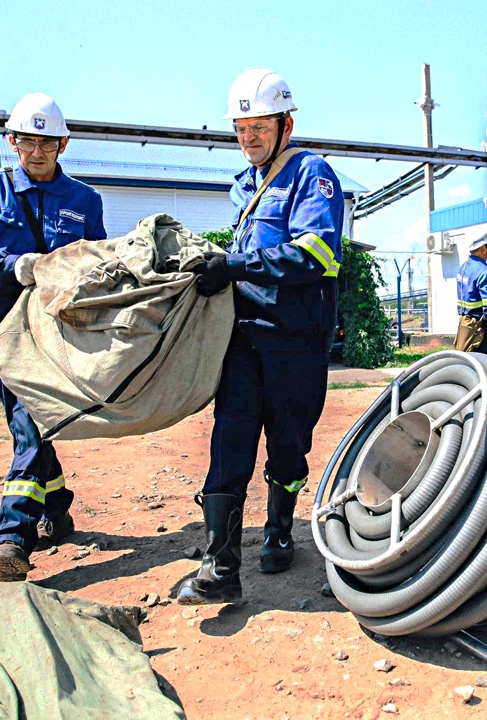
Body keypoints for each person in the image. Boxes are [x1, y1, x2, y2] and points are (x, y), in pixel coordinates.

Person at [176, 69, 344, 605]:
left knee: (289, 446)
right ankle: (219, 566)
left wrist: (238, 263)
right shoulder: (243, 187)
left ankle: (279, 532)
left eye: (258, 127)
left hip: (296, 341)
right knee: (229, 441)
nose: (248, 138)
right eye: (240, 128)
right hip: (244, 337)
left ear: (285, 123)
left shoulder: (312, 175)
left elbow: (317, 254)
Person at [0, 93, 107, 580]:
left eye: (46, 142)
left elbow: (97, 264)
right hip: (5, 330)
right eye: (26, 141)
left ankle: (12, 538)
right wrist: (13, 266)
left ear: (63, 144)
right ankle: (55, 507)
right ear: (11, 141)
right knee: (31, 426)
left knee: (32, 425)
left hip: (59, 332)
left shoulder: (85, 201)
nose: (35, 151)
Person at [454, 234, 487, 356]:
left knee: (468, 361)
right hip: (481, 327)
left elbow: (470, 294)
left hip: (465, 323)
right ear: (483, 248)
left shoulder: (463, 268)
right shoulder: (484, 271)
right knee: (484, 364)